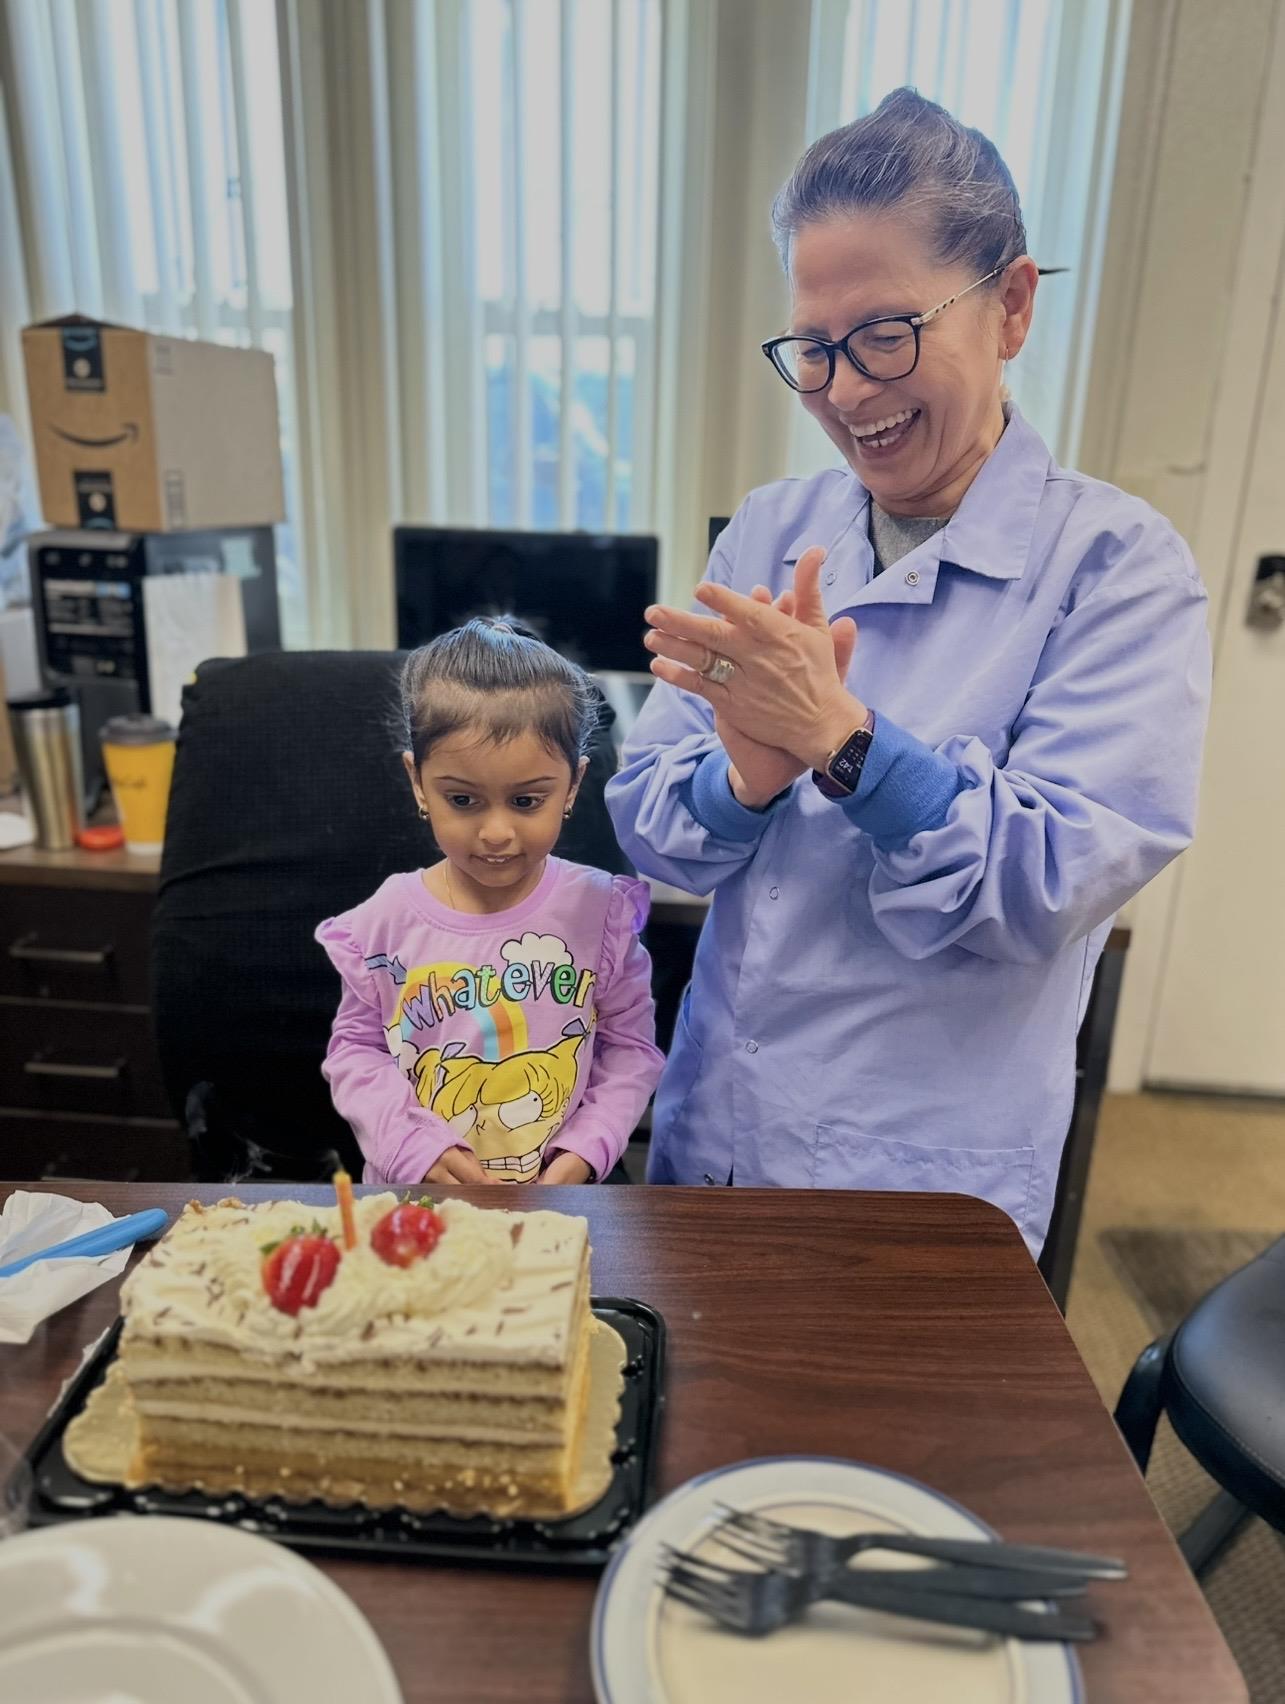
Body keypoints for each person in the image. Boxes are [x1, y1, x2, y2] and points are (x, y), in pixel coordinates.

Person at [606, 88, 1211, 1254]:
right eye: (815, 350)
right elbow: (647, 823)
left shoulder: (1114, 567)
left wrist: (845, 745)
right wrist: (741, 780)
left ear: (1012, 306)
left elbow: (1048, 881)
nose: (842, 391)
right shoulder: (771, 532)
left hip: (918, 1177)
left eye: (885, 335)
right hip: (715, 1138)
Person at [317, 618, 663, 1188]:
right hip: (419, 1202)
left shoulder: (602, 915)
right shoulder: (381, 925)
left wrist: (587, 1149)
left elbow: (629, 1049)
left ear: (572, 786)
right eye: (463, 799)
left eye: (527, 801)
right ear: (418, 782)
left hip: (557, 1202)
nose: (497, 832)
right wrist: (411, 1148)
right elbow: (356, 1052)